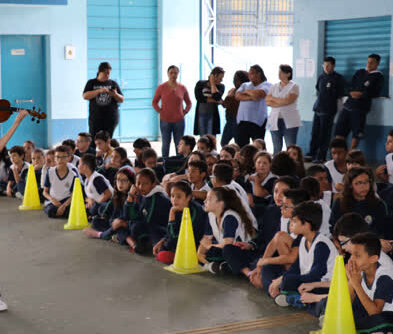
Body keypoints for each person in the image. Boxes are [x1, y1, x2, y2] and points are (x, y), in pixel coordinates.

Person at [271, 201, 338, 308]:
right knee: (282, 277)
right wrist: (281, 279)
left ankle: (299, 299)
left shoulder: (321, 245)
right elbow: (296, 267)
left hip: (323, 284)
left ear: (306, 225)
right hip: (308, 282)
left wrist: (284, 279)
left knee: (288, 280)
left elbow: (316, 275)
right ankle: (299, 298)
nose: (291, 224)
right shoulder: (303, 240)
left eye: (294, 221)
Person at [197, 187, 256, 274]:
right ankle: (220, 266)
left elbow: (227, 244)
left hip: (240, 251)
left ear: (220, 204)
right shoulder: (211, 215)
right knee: (196, 250)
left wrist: (209, 246)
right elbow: (206, 239)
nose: (204, 201)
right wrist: (199, 254)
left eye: (209, 199)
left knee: (222, 251)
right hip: (223, 249)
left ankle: (223, 267)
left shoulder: (229, 217)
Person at [329, 166, 392, 243]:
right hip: (345, 245)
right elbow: (334, 229)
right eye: (358, 183)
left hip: (371, 246)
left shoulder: (378, 204)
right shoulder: (340, 203)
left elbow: (383, 230)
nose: (363, 186)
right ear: (350, 185)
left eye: (366, 182)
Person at [335, 54, 384, 150]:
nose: (369, 64)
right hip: (347, 106)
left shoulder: (378, 76)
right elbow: (350, 85)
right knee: (340, 131)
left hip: (360, 109)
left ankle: (350, 156)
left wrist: (362, 94)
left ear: (377, 63)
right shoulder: (360, 72)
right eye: (368, 61)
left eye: (372, 62)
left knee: (357, 133)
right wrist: (351, 92)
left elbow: (376, 92)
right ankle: (340, 152)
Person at [153, 181, 208, 264]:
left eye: (179, 196)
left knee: (163, 254)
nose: (174, 199)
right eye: (172, 196)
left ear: (188, 197)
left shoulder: (196, 211)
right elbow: (170, 233)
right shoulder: (177, 208)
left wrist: (172, 214)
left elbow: (178, 238)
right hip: (179, 242)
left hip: (195, 245)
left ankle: (185, 258)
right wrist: (162, 241)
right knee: (158, 240)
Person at [347, 233, 393, 331]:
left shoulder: (384, 277)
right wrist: (351, 281)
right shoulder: (360, 272)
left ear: (373, 259)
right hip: (371, 317)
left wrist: (357, 285)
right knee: (346, 313)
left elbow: (375, 313)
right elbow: (347, 304)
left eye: (357, 256)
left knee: (379, 321)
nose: (352, 259)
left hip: (387, 318)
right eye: (352, 254)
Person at [308, 57, 345, 163]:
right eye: (324, 65)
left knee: (324, 134)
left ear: (333, 66)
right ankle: (312, 153)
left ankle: (321, 156)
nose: (326, 67)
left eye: (328, 65)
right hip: (318, 109)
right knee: (315, 133)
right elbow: (318, 89)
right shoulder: (321, 77)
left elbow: (340, 94)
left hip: (329, 110)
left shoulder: (338, 78)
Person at [152, 65, 192, 158]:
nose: (173, 75)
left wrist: (185, 112)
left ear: (178, 74)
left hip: (179, 121)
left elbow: (189, 103)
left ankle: (179, 163)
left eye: (175, 73)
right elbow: (154, 102)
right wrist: (160, 111)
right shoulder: (161, 87)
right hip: (165, 120)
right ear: (168, 74)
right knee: (166, 143)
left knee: (179, 144)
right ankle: (165, 162)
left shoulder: (182, 88)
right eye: (171, 73)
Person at [83, 168, 135, 237]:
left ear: (131, 182)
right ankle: (113, 234)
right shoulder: (117, 194)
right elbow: (109, 207)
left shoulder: (133, 196)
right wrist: (104, 216)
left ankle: (110, 235)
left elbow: (127, 217)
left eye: (124, 180)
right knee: (96, 221)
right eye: (118, 179)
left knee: (124, 228)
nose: (120, 183)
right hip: (113, 222)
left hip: (125, 223)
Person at [83, 62, 124, 142]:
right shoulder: (91, 83)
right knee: (95, 140)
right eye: (105, 73)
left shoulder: (113, 83)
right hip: (96, 118)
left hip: (110, 118)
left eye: (109, 73)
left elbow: (121, 99)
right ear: (99, 71)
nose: (107, 75)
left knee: (107, 140)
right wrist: (99, 91)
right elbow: (85, 96)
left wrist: (115, 94)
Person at [266, 65, 301, 154]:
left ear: (288, 74)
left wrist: (274, 100)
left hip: (289, 120)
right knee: (276, 147)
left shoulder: (294, 86)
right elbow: (267, 101)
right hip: (274, 119)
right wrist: (281, 101)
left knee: (290, 147)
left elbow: (288, 101)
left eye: (281, 72)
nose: (279, 74)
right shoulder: (274, 86)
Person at [235, 65, 272, 147]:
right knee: (241, 146)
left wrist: (246, 92)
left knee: (258, 146)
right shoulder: (245, 84)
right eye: (249, 73)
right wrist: (251, 96)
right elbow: (237, 96)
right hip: (242, 120)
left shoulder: (267, 84)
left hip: (257, 121)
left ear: (259, 74)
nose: (249, 75)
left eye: (251, 73)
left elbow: (259, 94)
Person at [43, 146, 79, 218]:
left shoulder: (73, 174)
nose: (60, 160)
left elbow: (73, 194)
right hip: (53, 201)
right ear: (54, 159)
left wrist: (64, 205)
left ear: (68, 158)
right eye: (57, 157)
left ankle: (62, 212)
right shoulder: (50, 171)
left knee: (72, 210)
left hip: (67, 200)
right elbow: (45, 192)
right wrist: (53, 200)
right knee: (50, 210)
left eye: (63, 157)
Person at [194, 67, 225, 136]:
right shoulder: (200, 83)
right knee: (203, 137)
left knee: (211, 137)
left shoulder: (221, 86)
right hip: (201, 114)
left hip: (212, 115)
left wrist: (212, 84)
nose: (221, 80)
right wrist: (215, 101)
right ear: (214, 76)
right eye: (220, 78)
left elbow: (217, 97)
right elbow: (199, 98)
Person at [221, 70, 249, 146]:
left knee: (240, 144)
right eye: (234, 79)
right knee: (223, 143)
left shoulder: (246, 92)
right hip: (229, 120)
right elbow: (225, 104)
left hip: (239, 121)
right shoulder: (232, 90)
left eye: (237, 80)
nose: (234, 81)